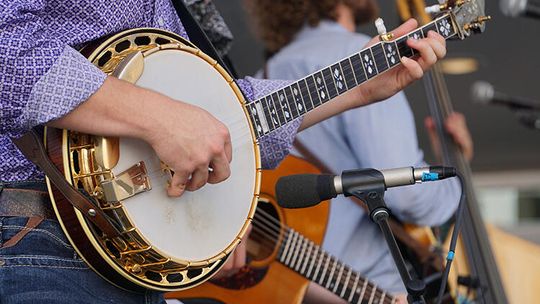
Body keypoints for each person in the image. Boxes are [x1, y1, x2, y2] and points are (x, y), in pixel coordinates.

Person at [0, 0, 446, 303]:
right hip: (38, 240)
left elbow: (224, 116)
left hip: (130, 263)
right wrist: (160, 118)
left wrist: (357, 88)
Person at [246, 0, 473, 302]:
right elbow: (408, 195)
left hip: (300, 287)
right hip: (377, 288)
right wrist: (455, 177)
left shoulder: (261, 79)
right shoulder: (360, 59)